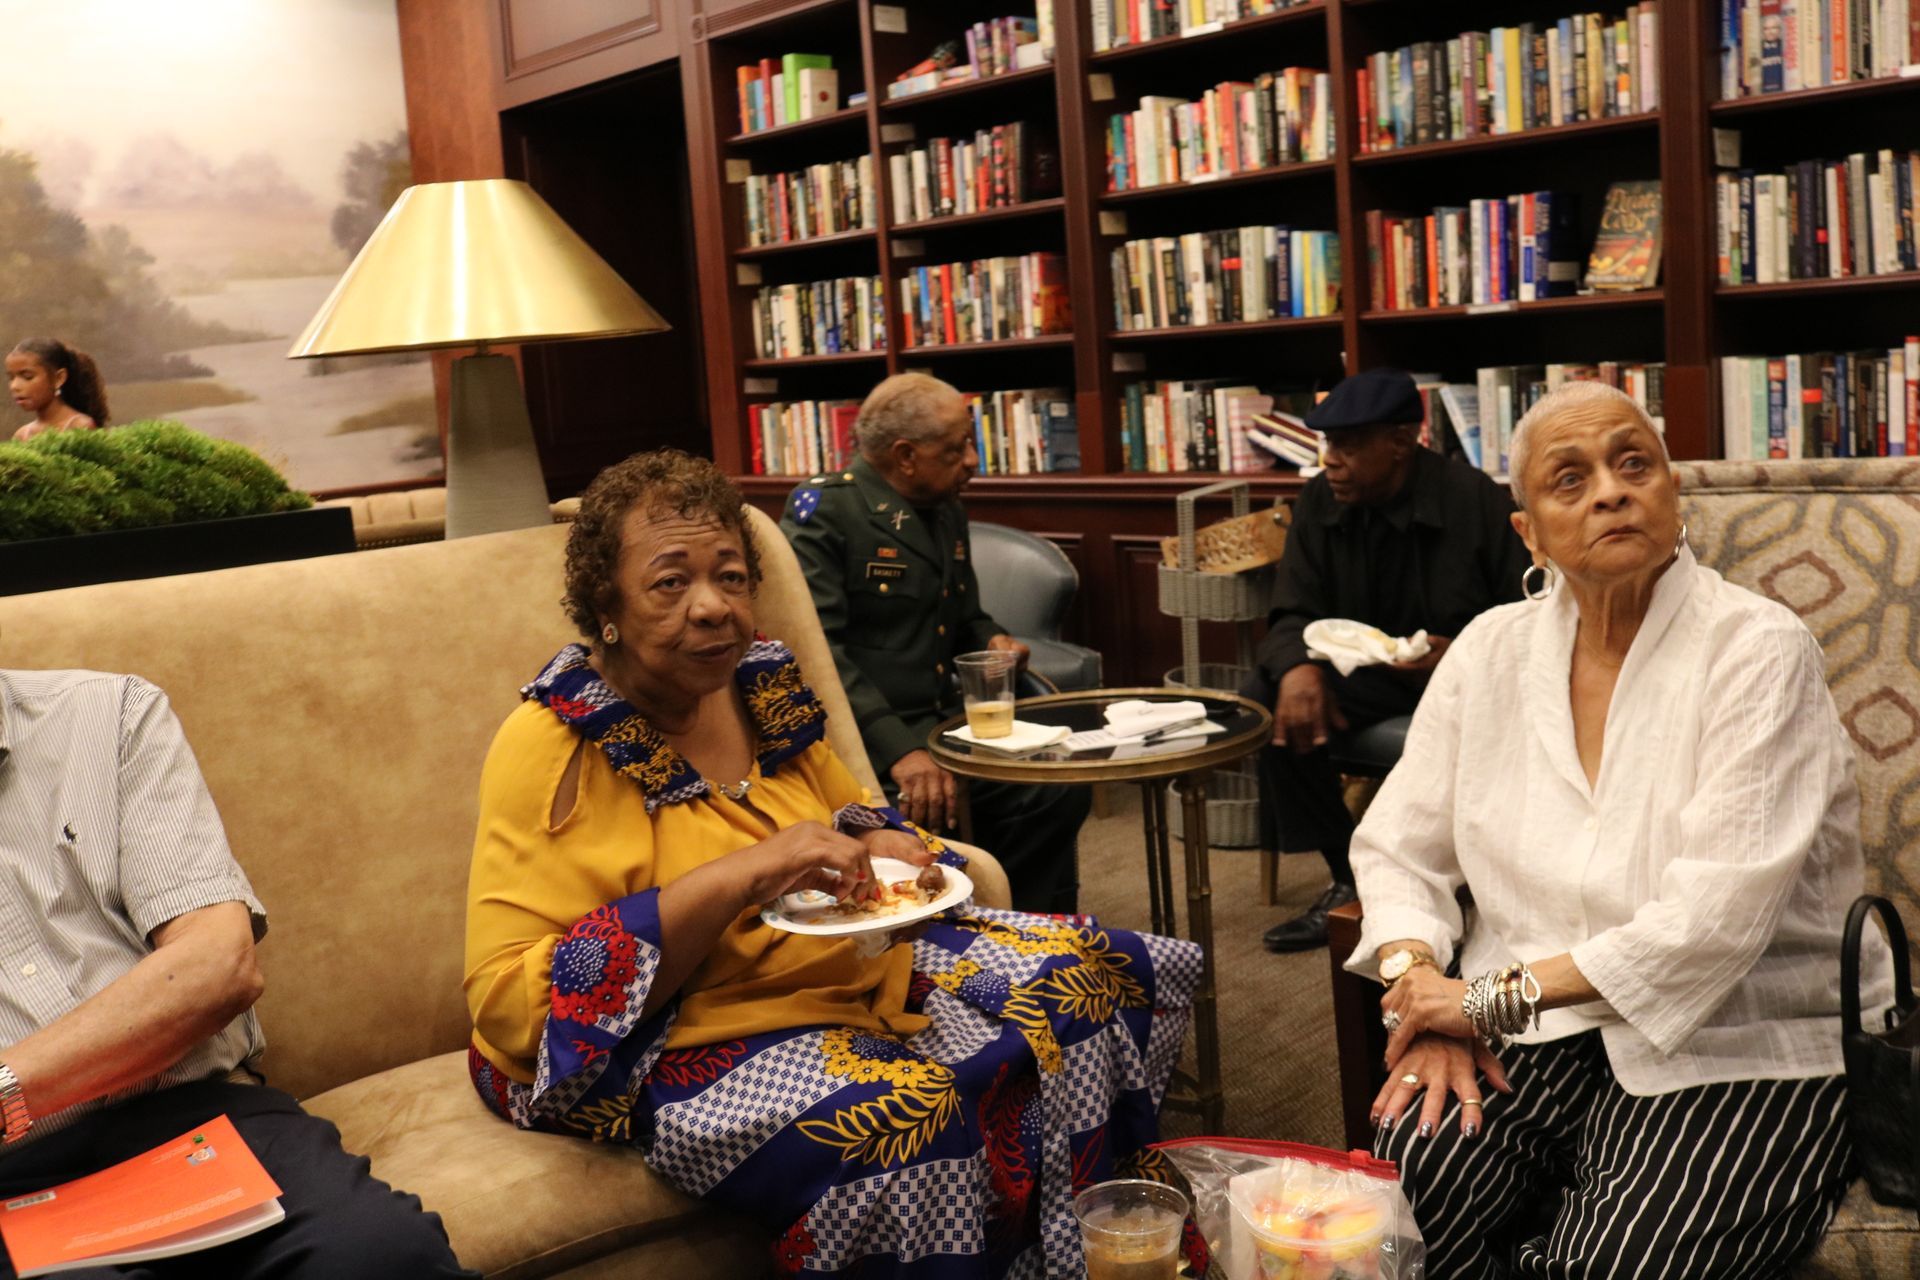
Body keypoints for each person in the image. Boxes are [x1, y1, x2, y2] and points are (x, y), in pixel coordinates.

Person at [463, 450, 1203, 1278]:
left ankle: (1093, 1263)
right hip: (653, 1035)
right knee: (907, 1117)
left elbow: (848, 807)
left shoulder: (756, 684)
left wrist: (884, 839)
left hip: (825, 967)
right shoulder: (553, 746)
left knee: (1092, 976)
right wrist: (746, 872)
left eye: (732, 577)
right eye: (670, 583)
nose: (713, 608)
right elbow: (508, 1005)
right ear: (607, 604)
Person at [1356, 381, 1872, 1277]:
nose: (1609, 490)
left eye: (1634, 463)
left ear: (1674, 495)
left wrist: (1478, 1002)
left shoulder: (1757, 649)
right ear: (1530, 534)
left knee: (1613, 1266)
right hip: (1541, 1026)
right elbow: (1399, 846)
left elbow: (1710, 925)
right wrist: (1423, 988)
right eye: (1570, 479)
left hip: (1744, 1037)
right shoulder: (1488, 651)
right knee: (1402, 1207)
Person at [0, 666, 471, 1279]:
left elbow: (218, 968)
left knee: (382, 1254)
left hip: (195, 1121)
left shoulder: (107, 716)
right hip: (11, 1180)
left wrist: (7, 1087)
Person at [779, 374, 1091, 914]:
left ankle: (1021, 917)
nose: (972, 460)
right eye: (956, 448)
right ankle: (978, 919)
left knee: (1058, 782)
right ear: (905, 456)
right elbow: (819, 658)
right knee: (991, 801)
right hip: (867, 741)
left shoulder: (945, 507)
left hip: (948, 720)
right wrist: (901, 750)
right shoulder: (827, 514)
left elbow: (963, 613)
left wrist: (991, 638)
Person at [1245, 369, 1530, 952]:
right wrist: (1298, 668)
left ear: (1401, 442)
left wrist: (1465, 652)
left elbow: (1530, 613)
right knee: (1265, 696)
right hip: (1368, 675)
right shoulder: (1319, 500)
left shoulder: (1472, 498)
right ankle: (1350, 880)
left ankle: (1469, 883)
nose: (1330, 460)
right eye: (1327, 445)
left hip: (1463, 679)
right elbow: (1291, 608)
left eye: (1347, 446)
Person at [8, 337, 109, 441]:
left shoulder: (79, 427)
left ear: (59, 378)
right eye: (11, 378)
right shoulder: (21, 435)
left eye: (28, 377)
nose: (14, 386)